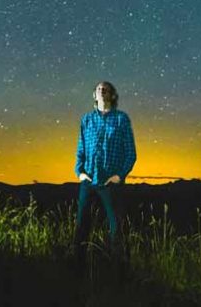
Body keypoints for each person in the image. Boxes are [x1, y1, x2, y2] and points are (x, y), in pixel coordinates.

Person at [72, 81, 137, 275]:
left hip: (110, 183)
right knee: (82, 226)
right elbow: (80, 150)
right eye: (99, 88)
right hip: (88, 181)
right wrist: (80, 172)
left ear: (112, 95)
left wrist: (120, 175)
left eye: (106, 88)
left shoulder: (121, 119)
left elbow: (131, 153)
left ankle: (121, 273)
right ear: (94, 95)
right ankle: (77, 270)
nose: (102, 90)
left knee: (117, 228)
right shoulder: (86, 120)